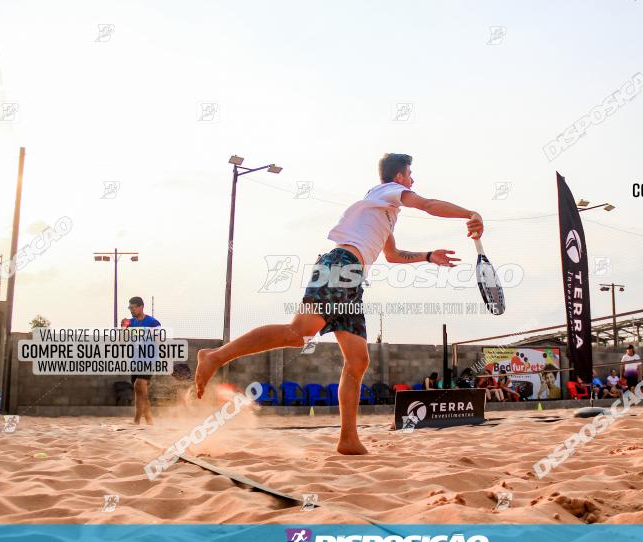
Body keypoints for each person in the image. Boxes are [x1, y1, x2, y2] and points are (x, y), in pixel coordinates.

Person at [195, 153, 484, 454]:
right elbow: (427, 204)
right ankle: (216, 356)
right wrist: (470, 213)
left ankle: (348, 439)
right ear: (399, 177)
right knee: (298, 334)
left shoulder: (384, 212)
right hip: (340, 266)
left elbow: (392, 255)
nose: (413, 180)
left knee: (358, 360)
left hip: (354, 280)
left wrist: (427, 256)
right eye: (410, 174)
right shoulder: (387, 192)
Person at [125, 296, 161, 426]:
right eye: (130, 308)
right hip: (136, 360)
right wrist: (124, 328)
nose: (131, 310)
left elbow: (159, 341)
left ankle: (136, 420)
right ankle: (148, 419)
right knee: (140, 391)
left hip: (149, 359)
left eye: (134, 307)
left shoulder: (153, 322)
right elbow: (122, 341)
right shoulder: (130, 323)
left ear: (141, 307)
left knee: (138, 385)